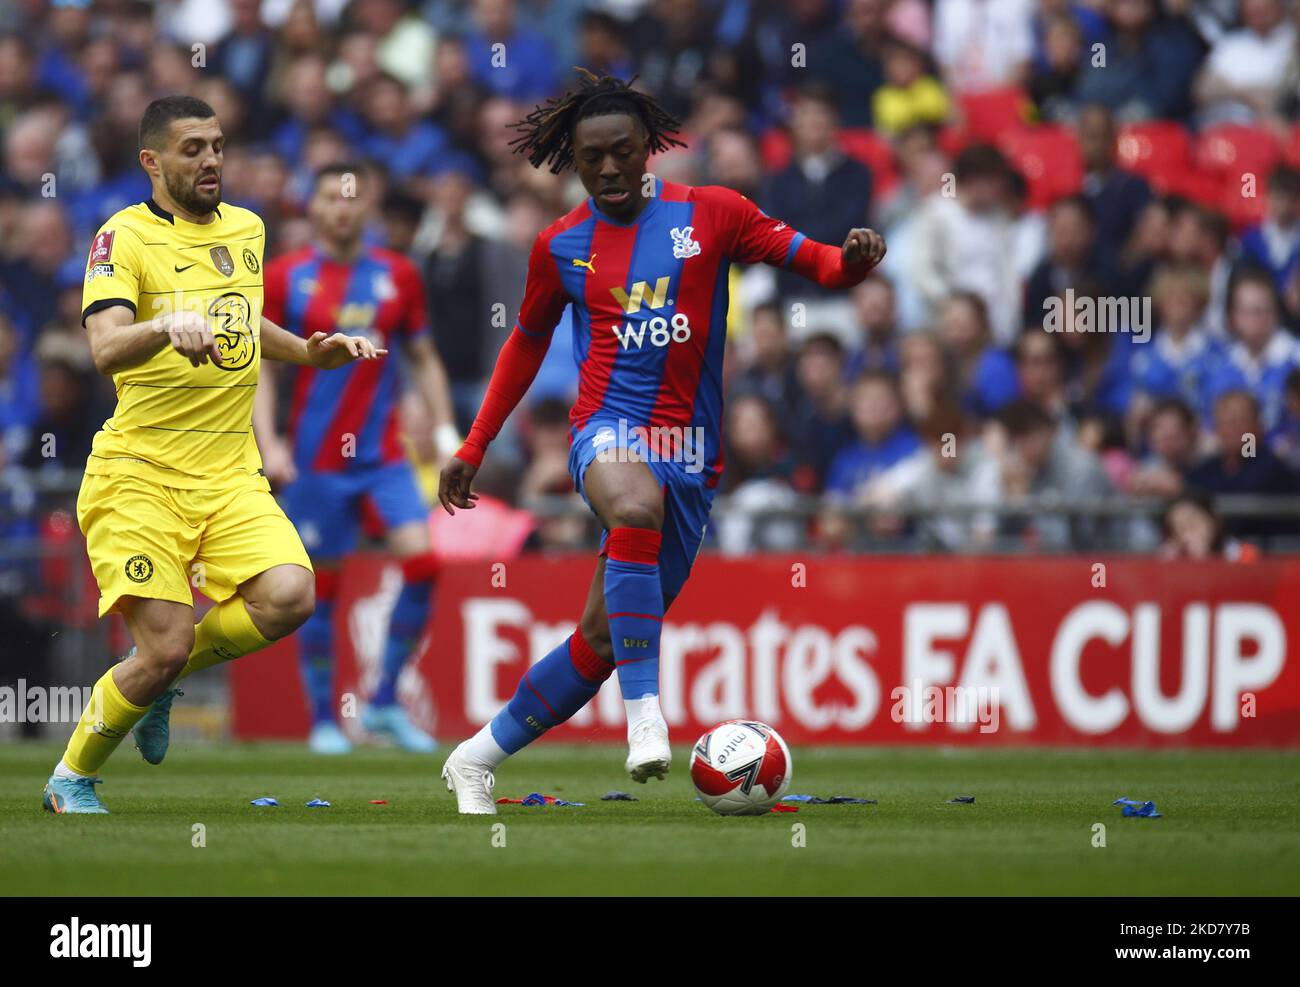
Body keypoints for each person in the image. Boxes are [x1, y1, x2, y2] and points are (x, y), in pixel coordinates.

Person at [435, 69, 886, 814]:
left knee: (599, 642)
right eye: (592, 158)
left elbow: (818, 261)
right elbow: (522, 344)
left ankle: (474, 758)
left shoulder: (714, 214)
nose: (608, 168)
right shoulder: (560, 245)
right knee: (632, 505)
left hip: (692, 456)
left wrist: (854, 262)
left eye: (622, 152)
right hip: (605, 429)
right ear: (571, 162)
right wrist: (476, 443)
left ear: (649, 148)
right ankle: (646, 718)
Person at [44, 96, 383, 814]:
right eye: (193, 148)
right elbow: (103, 348)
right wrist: (166, 324)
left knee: (291, 594)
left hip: (229, 472)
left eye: (218, 146)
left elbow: (243, 319)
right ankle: (69, 777)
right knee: (162, 647)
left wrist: (308, 350)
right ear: (152, 161)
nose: (211, 161)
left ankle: (158, 678)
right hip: (139, 472)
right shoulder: (121, 237)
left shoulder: (248, 229)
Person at [255, 162, 458, 755]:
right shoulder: (286, 277)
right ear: (312, 206)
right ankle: (324, 719)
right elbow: (262, 364)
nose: (342, 209)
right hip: (317, 461)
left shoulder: (397, 274)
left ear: (367, 206)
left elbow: (423, 356)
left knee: (423, 564)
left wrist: (446, 432)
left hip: (385, 455)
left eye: (352, 198)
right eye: (329, 198)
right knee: (322, 588)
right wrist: (270, 443)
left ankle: (386, 703)